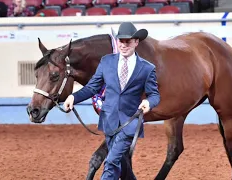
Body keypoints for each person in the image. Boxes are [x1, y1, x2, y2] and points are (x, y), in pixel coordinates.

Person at [63, 22, 160, 180]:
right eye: (120, 41)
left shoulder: (147, 68)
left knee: (111, 162)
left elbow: (155, 95)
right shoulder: (106, 62)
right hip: (109, 121)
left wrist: (149, 102)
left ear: (136, 42)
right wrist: (74, 97)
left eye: (128, 41)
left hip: (129, 123)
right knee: (124, 168)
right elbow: (92, 87)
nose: (123, 45)